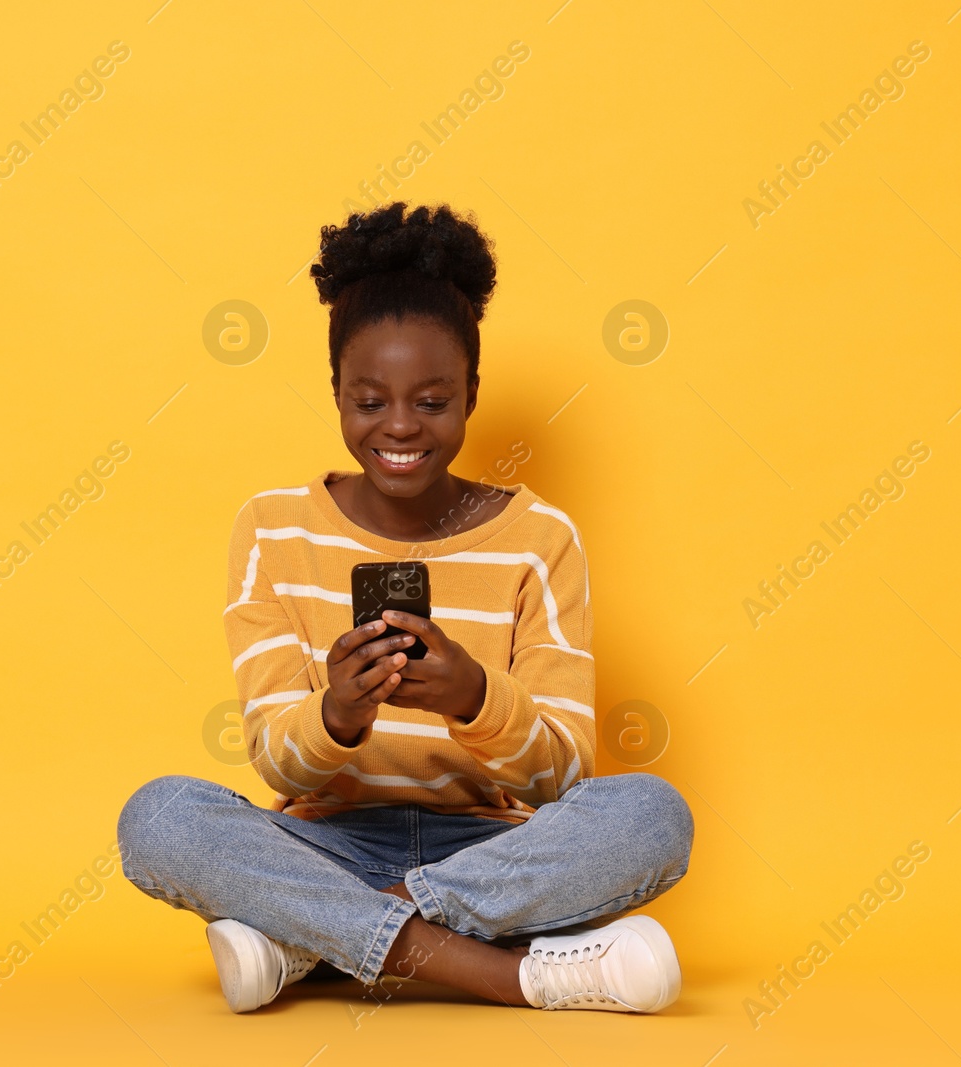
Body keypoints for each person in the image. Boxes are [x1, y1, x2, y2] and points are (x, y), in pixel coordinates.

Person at [117, 202, 694, 1014]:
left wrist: (472, 697)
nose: (398, 427)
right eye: (369, 400)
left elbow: (567, 775)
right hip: (322, 843)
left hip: (494, 849)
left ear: (470, 394)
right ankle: (504, 972)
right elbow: (279, 764)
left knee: (650, 816)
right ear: (336, 393)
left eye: (431, 402)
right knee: (161, 816)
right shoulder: (272, 530)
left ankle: (304, 940)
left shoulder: (540, 539)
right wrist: (338, 713)